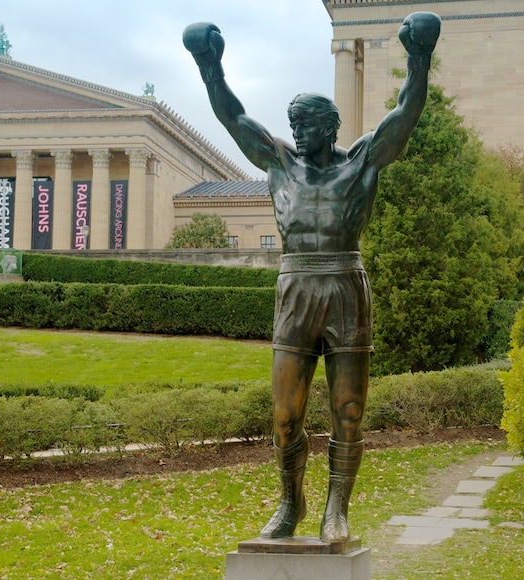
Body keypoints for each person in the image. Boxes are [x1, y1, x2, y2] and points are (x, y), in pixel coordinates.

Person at [184, 12, 440, 543]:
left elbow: (405, 114)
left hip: (345, 285)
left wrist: (419, 59)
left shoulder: (362, 162)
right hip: (296, 287)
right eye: (293, 124)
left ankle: (336, 509)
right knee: (285, 416)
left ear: (330, 127)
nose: (297, 133)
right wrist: (209, 66)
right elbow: (234, 118)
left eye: (306, 125)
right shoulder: (280, 163)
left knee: (349, 410)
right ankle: (290, 502)